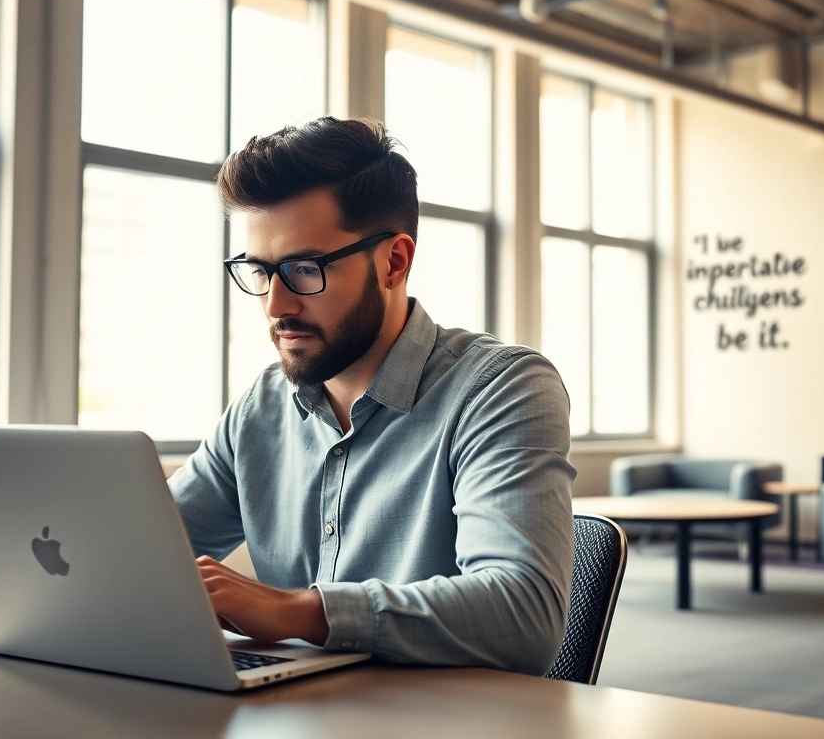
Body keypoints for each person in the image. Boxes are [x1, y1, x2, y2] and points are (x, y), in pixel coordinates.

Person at [168, 117, 576, 676]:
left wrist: (298, 611)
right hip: (292, 714)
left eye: (304, 269)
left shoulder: (502, 389)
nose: (275, 305)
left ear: (394, 261)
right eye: (259, 272)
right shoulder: (260, 408)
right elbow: (145, 542)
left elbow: (523, 612)